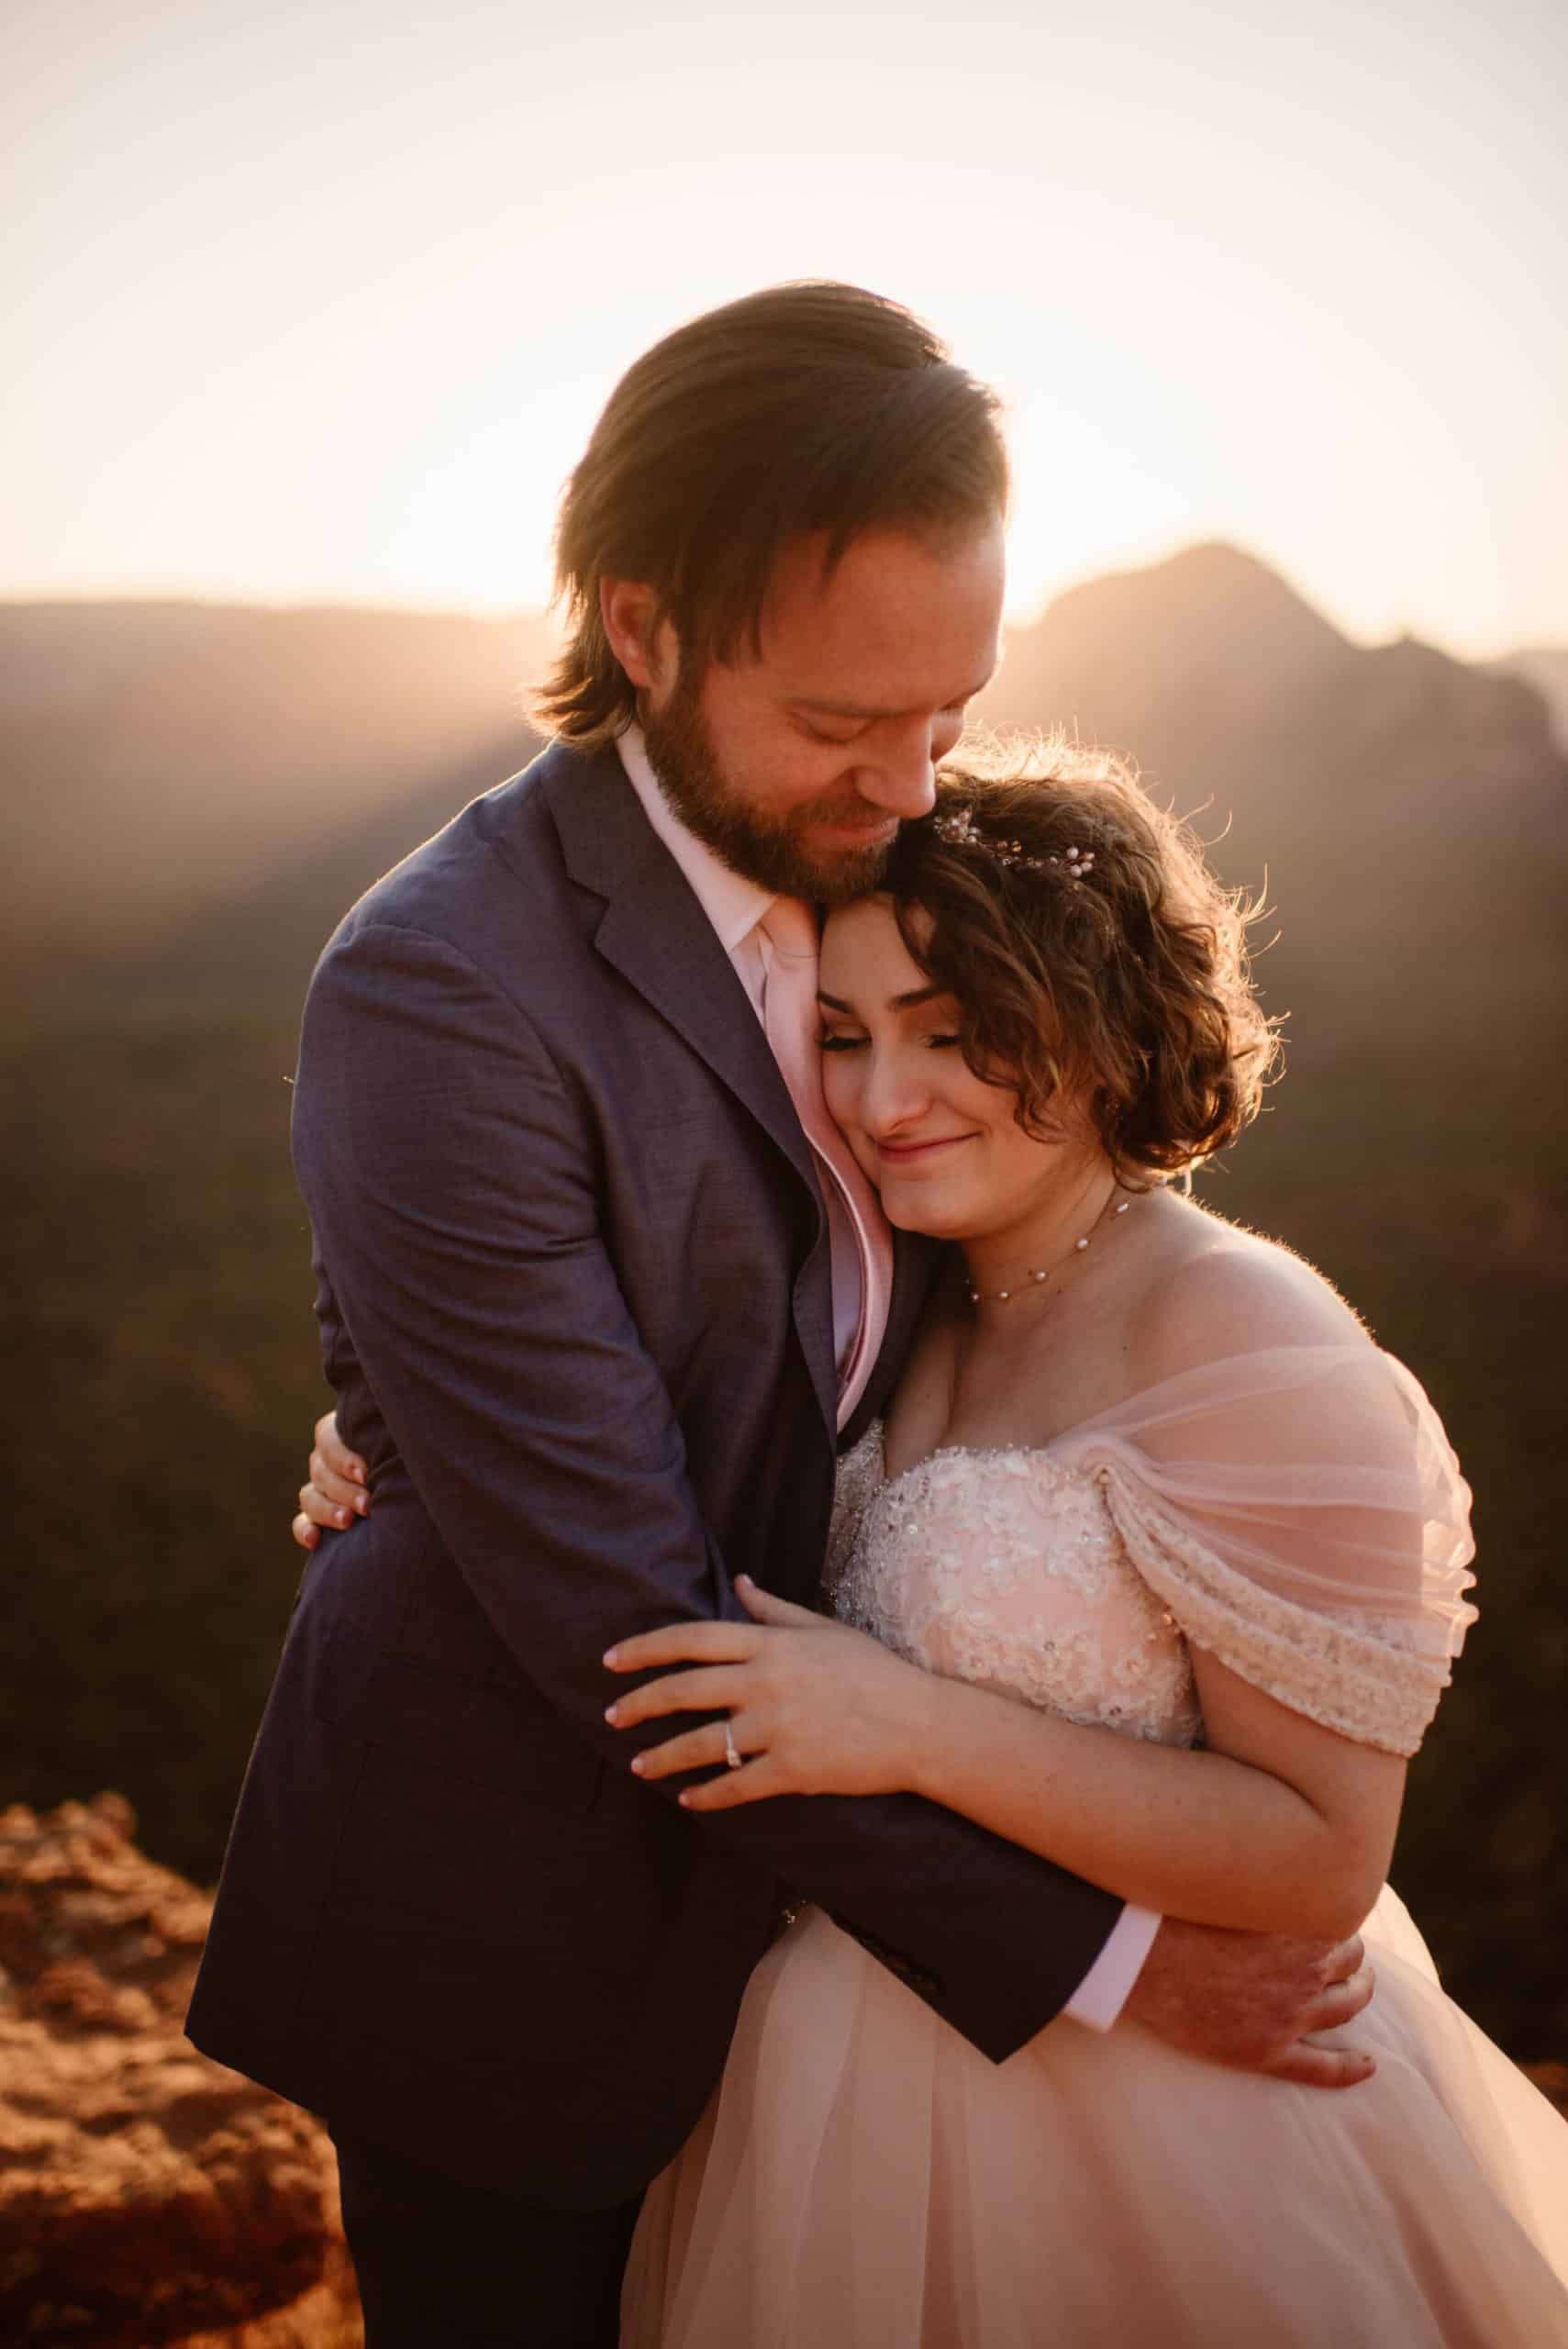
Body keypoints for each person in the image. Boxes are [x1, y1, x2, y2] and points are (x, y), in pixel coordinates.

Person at [201, 282, 1377, 2349]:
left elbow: (1026, 1205)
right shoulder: (442, 988)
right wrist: (1104, 1956)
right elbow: (629, 1618)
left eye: (951, 708)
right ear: (641, 627)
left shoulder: (899, 871)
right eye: (845, 723)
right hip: (513, 1939)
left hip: (823, 1948)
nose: (914, 784)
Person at [593, 748, 1568, 2345]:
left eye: (953, 1036)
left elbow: (1322, 1855)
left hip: (1167, 2119)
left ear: (1104, 1026)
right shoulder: (887, 1290)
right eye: (842, 1037)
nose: (880, 1101)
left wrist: (907, 1723)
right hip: (832, 2073)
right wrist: (389, 1437)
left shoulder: (1248, 1336)